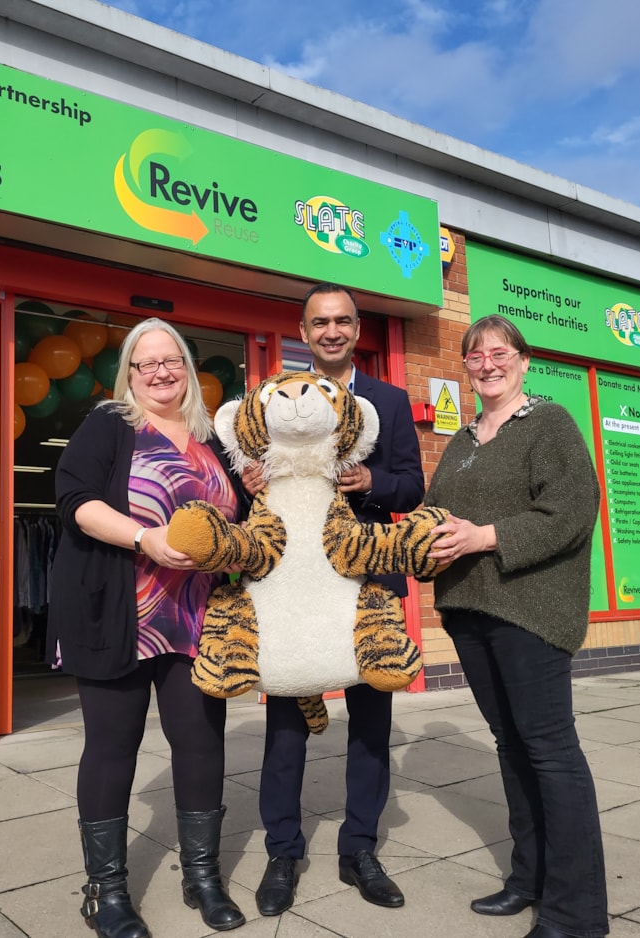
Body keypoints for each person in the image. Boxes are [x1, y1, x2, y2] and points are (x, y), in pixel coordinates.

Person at [48, 318, 249, 938]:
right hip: (120, 610)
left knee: (200, 743)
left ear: (187, 368)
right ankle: (105, 891)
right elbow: (75, 499)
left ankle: (203, 876)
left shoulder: (212, 437)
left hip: (196, 618)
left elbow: (239, 514)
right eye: (146, 363)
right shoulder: (111, 424)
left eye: (172, 361)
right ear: (130, 373)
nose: (161, 372)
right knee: (112, 748)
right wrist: (145, 538)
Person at [424, 314, 607, 938]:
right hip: (471, 612)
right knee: (512, 748)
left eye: (499, 353)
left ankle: (575, 912)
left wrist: (484, 536)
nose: (487, 364)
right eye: (475, 356)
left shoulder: (548, 422)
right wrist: (417, 537)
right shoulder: (463, 438)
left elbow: (573, 511)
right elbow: (435, 512)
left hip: (530, 609)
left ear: (523, 361)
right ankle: (529, 878)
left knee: (550, 752)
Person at [249, 283, 426, 916]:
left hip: (365, 586)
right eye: (319, 322)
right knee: (286, 722)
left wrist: (373, 480)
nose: (331, 331)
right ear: (302, 330)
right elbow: (250, 473)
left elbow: (412, 482)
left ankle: (359, 850)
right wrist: (252, 479)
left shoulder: (391, 400)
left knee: (371, 724)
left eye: (343, 321)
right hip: (295, 585)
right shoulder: (277, 398)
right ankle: (282, 850)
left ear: (357, 330)